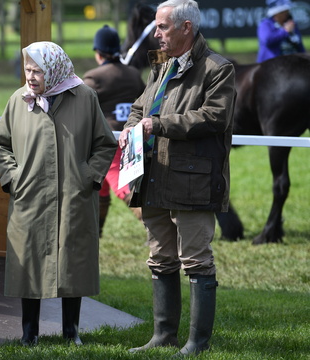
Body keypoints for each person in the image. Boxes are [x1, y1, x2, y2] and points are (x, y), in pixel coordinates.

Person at [118, 0, 235, 356]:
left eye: (163, 27)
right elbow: (140, 105)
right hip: (153, 176)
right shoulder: (161, 65)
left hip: (193, 180)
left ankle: (197, 343)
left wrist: (160, 124)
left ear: (187, 28)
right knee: (160, 257)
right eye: (156, 27)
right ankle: (164, 335)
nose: (156, 34)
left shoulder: (219, 68)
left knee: (196, 260)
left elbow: (214, 116)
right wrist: (129, 128)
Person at [0, 41, 117, 346]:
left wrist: (89, 175)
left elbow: (105, 143)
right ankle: (29, 332)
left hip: (74, 196)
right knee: (28, 263)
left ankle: (71, 331)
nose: (30, 76)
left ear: (54, 69)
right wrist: (13, 177)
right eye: (27, 69)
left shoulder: (84, 97)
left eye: (37, 70)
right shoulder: (18, 100)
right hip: (30, 197)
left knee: (73, 261)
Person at [83, 24, 146, 236]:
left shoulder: (93, 77)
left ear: (98, 53)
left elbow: (82, 109)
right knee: (101, 186)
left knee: (123, 188)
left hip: (107, 142)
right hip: (134, 137)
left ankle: (155, 231)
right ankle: (96, 232)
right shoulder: (133, 74)